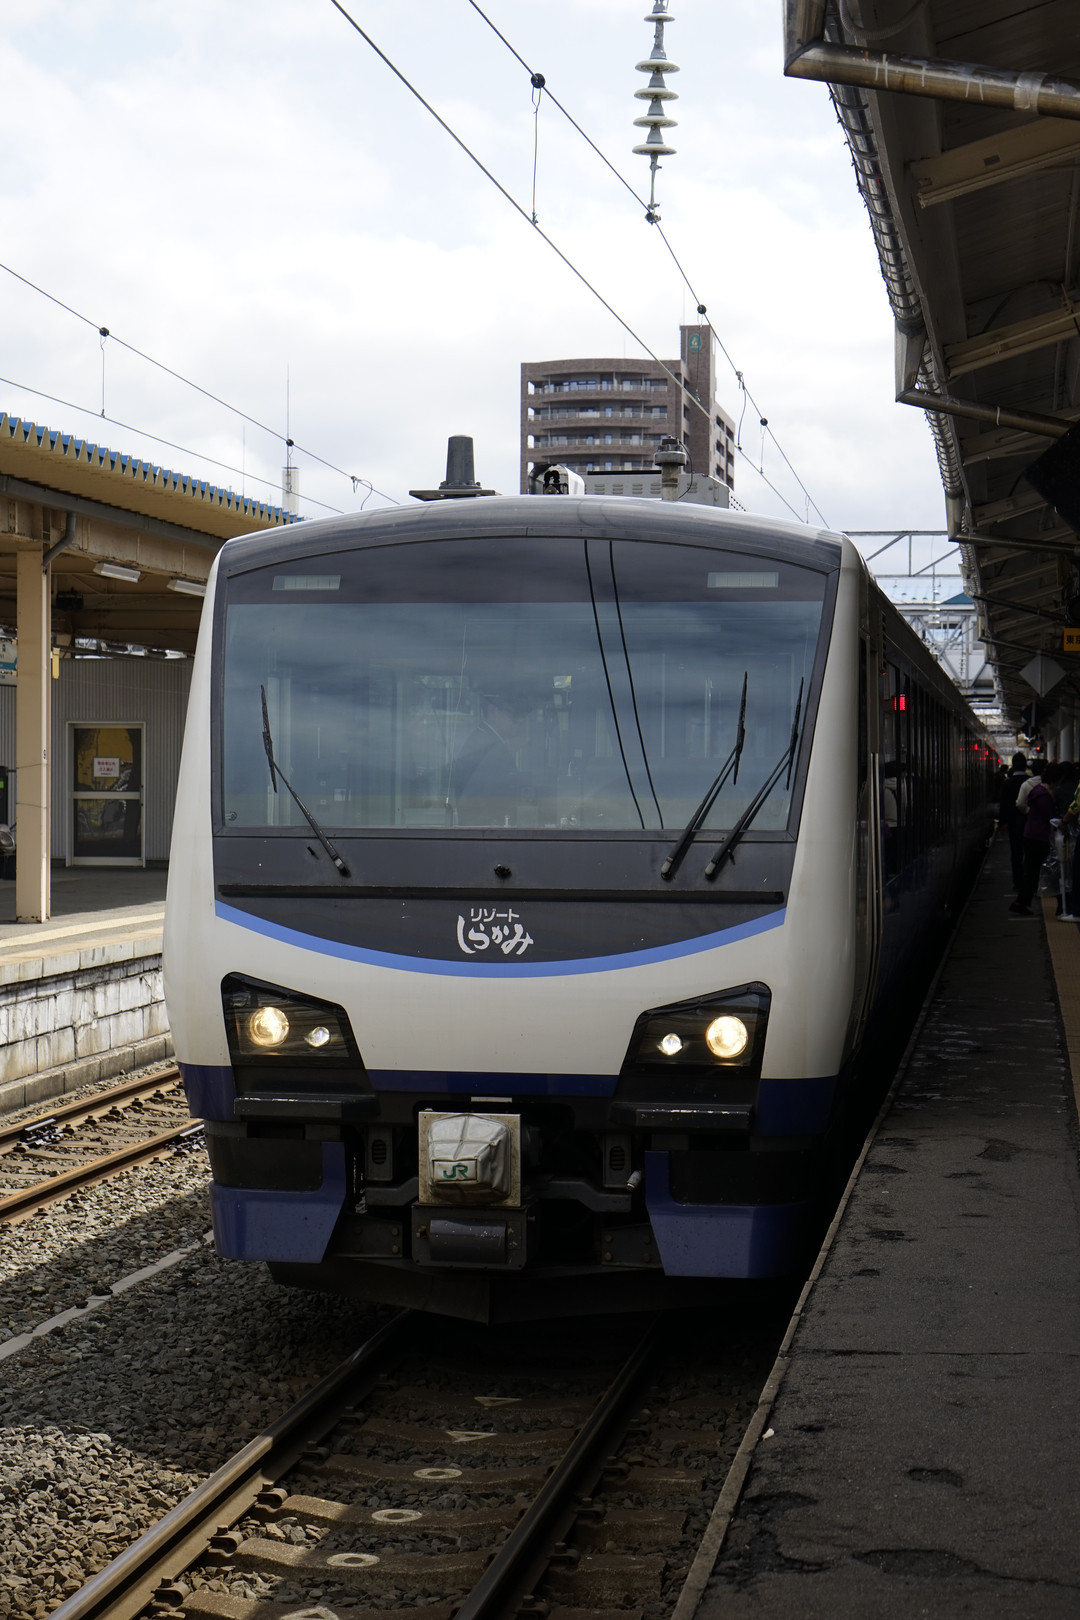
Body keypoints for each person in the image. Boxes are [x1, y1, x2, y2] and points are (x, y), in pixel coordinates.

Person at [449, 689, 535, 826]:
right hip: (486, 828)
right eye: (514, 714)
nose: (519, 720)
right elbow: (502, 794)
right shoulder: (488, 747)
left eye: (521, 715)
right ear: (493, 711)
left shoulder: (484, 740)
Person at [1010, 765, 1057, 915]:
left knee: (1031, 871)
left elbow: (1021, 804)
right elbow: (1049, 816)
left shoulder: (1036, 790)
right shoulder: (1044, 795)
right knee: (1038, 872)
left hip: (1031, 834)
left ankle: (1020, 902)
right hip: (1039, 836)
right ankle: (1021, 902)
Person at [999, 752, 1029, 892]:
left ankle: (1017, 882)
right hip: (1029, 823)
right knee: (1029, 853)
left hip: (1013, 823)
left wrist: (1002, 823)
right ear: (1025, 765)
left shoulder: (1007, 783)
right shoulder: (1030, 782)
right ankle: (1029, 880)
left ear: (1013, 766)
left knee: (1015, 853)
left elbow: (1003, 805)